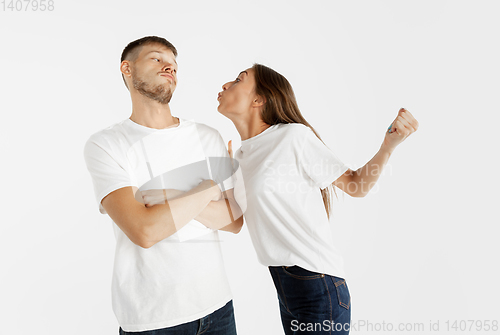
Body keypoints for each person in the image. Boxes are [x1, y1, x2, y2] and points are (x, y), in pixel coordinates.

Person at [217, 63, 419, 335]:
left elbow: (356, 185)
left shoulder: (292, 137)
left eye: (238, 80)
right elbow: (233, 221)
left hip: (317, 285)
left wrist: (389, 145)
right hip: (285, 287)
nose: (225, 85)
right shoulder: (240, 156)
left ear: (258, 99)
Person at [83, 36, 243, 334]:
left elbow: (233, 220)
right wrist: (209, 189)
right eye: (157, 58)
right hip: (153, 320)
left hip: (218, 307)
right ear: (127, 68)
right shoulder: (106, 144)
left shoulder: (207, 136)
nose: (169, 66)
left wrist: (170, 197)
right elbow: (144, 231)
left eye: (174, 64)